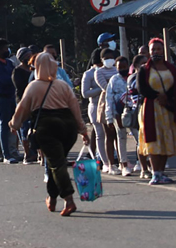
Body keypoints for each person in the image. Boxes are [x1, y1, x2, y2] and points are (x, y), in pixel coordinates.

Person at [9, 53, 89, 217]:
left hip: (47, 127)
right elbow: (75, 107)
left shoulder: (33, 86)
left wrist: (14, 125)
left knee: (57, 164)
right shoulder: (63, 85)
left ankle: (68, 200)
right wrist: (82, 130)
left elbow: (22, 108)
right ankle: (52, 198)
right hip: (68, 127)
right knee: (57, 162)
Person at [137, 38, 176, 184]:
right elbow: (142, 88)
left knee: (166, 139)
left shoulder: (172, 69)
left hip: (168, 109)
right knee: (154, 140)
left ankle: (161, 172)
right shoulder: (144, 70)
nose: (156, 52)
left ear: (163, 50)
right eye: (153, 49)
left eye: (158, 49)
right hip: (151, 109)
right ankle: (155, 173)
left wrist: (168, 100)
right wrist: (157, 96)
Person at [106, 56, 137, 176]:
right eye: (120, 67)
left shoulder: (133, 78)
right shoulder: (114, 80)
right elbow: (108, 99)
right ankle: (123, 164)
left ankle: (142, 162)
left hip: (133, 112)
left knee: (137, 136)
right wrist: (110, 117)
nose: (122, 69)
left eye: (124, 66)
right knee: (121, 138)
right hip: (118, 113)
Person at [96, 48, 119, 174]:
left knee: (119, 136)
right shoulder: (99, 72)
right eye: (106, 58)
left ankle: (122, 162)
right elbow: (105, 87)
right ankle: (111, 164)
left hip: (119, 103)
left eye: (111, 57)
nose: (109, 60)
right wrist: (117, 87)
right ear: (101, 60)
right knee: (109, 135)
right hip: (106, 103)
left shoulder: (117, 70)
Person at [82, 49, 106, 168]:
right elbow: (85, 93)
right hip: (95, 106)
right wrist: (102, 89)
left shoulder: (110, 71)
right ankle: (100, 158)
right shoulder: (89, 74)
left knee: (109, 134)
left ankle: (111, 157)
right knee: (100, 134)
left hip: (108, 106)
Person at [12, 47, 36, 163]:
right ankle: (27, 153)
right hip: (23, 101)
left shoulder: (34, 70)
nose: (29, 58)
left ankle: (36, 151)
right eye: (27, 56)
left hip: (35, 102)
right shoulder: (17, 71)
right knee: (24, 127)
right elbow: (20, 87)